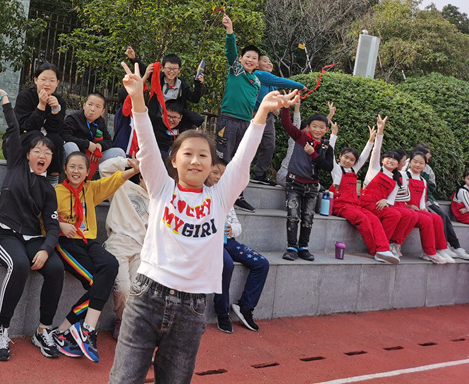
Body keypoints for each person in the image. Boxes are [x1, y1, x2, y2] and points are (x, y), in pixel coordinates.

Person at [108, 61, 297, 384]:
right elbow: (148, 147)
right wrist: (138, 99)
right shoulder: (160, 186)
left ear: (212, 165)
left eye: (203, 156)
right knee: (124, 380)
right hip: (146, 298)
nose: (195, 160)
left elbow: (244, 158)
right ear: (174, 160)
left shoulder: (221, 197)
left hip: (191, 308)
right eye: (188, 154)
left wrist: (262, 113)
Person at [0, 82, 63, 362]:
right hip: (5, 235)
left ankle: (43, 330)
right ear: (28, 154)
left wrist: (46, 249)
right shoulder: (17, 163)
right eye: (38, 151)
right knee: (17, 265)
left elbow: (52, 226)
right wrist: (4, 98)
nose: (42, 156)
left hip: (32, 239)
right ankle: (0, 329)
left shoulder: (48, 189)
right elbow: (15, 128)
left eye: (48, 153)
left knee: (55, 268)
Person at [51, 152, 140, 362]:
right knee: (98, 284)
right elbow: (45, 217)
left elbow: (114, 180)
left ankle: (85, 328)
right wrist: (60, 225)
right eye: (72, 167)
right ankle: (65, 330)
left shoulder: (90, 189)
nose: (76, 171)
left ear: (87, 171)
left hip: (87, 241)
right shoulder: (57, 191)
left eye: (81, 168)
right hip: (66, 242)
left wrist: (133, 169)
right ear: (65, 169)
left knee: (110, 263)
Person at [216, 14, 303, 213]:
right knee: (223, 158)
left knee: (242, 160)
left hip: (246, 123)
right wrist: (230, 30)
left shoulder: (256, 81)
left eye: (254, 58)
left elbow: (267, 101)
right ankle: (217, 193)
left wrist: (287, 97)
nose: (250, 60)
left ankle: (238, 196)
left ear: (257, 64)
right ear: (240, 59)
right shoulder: (235, 71)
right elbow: (230, 50)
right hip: (228, 120)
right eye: (247, 56)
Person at [209, 163, 269, 334]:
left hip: (230, 241)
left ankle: (246, 307)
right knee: (226, 265)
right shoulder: (202, 193)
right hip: (211, 243)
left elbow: (237, 225)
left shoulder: (228, 197)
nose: (219, 177)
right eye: (215, 172)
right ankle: (222, 312)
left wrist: (231, 229)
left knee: (262, 263)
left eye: (223, 174)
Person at [328, 121, 398, 264]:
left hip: (355, 205)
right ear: (340, 156)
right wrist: (333, 135)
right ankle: (376, 252)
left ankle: (384, 249)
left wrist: (371, 140)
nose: (348, 161)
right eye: (346, 157)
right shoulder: (336, 169)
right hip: (341, 206)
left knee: (374, 219)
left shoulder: (354, 170)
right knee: (364, 220)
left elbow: (365, 156)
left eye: (352, 159)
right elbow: (329, 153)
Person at [102, 157, 150, 341]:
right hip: (118, 242)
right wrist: (129, 164)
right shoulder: (123, 186)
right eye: (146, 176)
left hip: (140, 248)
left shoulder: (159, 201)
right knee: (123, 288)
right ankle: (125, 322)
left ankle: (129, 328)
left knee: (140, 290)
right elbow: (104, 170)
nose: (149, 181)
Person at [279, 106, 333, 261]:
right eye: (314, 126)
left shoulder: (327, 146)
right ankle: (291, 247)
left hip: (312, 186)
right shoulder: (301, 137)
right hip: (294, 182)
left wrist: (313, 153)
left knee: (308, 217)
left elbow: (328, 166)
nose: (317, 130)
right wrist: (286, 106)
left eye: (321, 127)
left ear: (326, 129)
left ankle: (303, 247)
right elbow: (287, 124)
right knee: (293, 215)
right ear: (308, 127)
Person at [358, 119, 418, 260]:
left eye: (394, 159)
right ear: (382, 160)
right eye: (387, 158)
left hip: (379, 206)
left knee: (395, 214)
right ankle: (380, 246)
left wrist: (386, 200)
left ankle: (384, 243)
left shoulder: (396, 179)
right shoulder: (375, 168)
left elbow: (391, 197)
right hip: (366, 204)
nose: (390, 161)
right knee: (394, 214)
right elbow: (376, 150)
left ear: (398, 164)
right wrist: (380, 132)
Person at [250, 53, 306, 186]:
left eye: (270, 62)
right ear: (258, 64)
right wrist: (299, 86)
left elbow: (278, 101)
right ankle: (244, 172)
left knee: (269, 145)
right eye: (265, 61)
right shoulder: (260, 74)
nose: (269, 64)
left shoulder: (271, 85)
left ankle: (260, 174)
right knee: (250, 144)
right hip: (254, 115)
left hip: (268, 118)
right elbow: (280, 81)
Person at [409, 143, 469, 260]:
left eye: (424, 161)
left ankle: (454, 247)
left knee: (443, 216)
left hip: (427, 198)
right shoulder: (407, 167)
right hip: (413, 201)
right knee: (439, 216)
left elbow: (431, 186)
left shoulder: (427, 169)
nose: (428, 158)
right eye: (428, 155)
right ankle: (443, 247)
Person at [13, 62, 65, 185]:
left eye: (52, 80)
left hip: (45, 138)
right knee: (36, 136)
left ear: (57, 83)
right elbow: (26, 127)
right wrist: (41, 105)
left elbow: (55, 130)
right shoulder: (25, 96)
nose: (47, 84)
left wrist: (55, 110)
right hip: (23, 138)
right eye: (43, 79)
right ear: (36, 80)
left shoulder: (59, 102)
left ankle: (53, 181)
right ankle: (31, 178)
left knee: (56, 139)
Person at [400, 151, 454, 264]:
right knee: (427, 220)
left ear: (425, 165)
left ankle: (441, 248)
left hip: (418, 210)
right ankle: (428, 252)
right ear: (409, 162)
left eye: (421, 163)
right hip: (406, 208)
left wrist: (423, 208)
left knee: (437, 217)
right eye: (415, 162)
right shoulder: (404, 176)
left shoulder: (423, 180)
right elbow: (398, 195)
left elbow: (422, 199)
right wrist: (408, 206)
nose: (418, 165)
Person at [61, 91, 126, 177]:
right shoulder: (73, 118)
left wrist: (100, 145)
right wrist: (87, 144)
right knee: (71, 146)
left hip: (93, 158)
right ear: (84, 105)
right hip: (77, 154)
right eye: (90, 104)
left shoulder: (100, 121)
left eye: (97, 107)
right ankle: (73, 178)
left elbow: (109, 141)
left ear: (102, 111)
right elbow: (65, 135)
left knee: (119, 153)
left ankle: (107, 184)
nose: (92, 109)